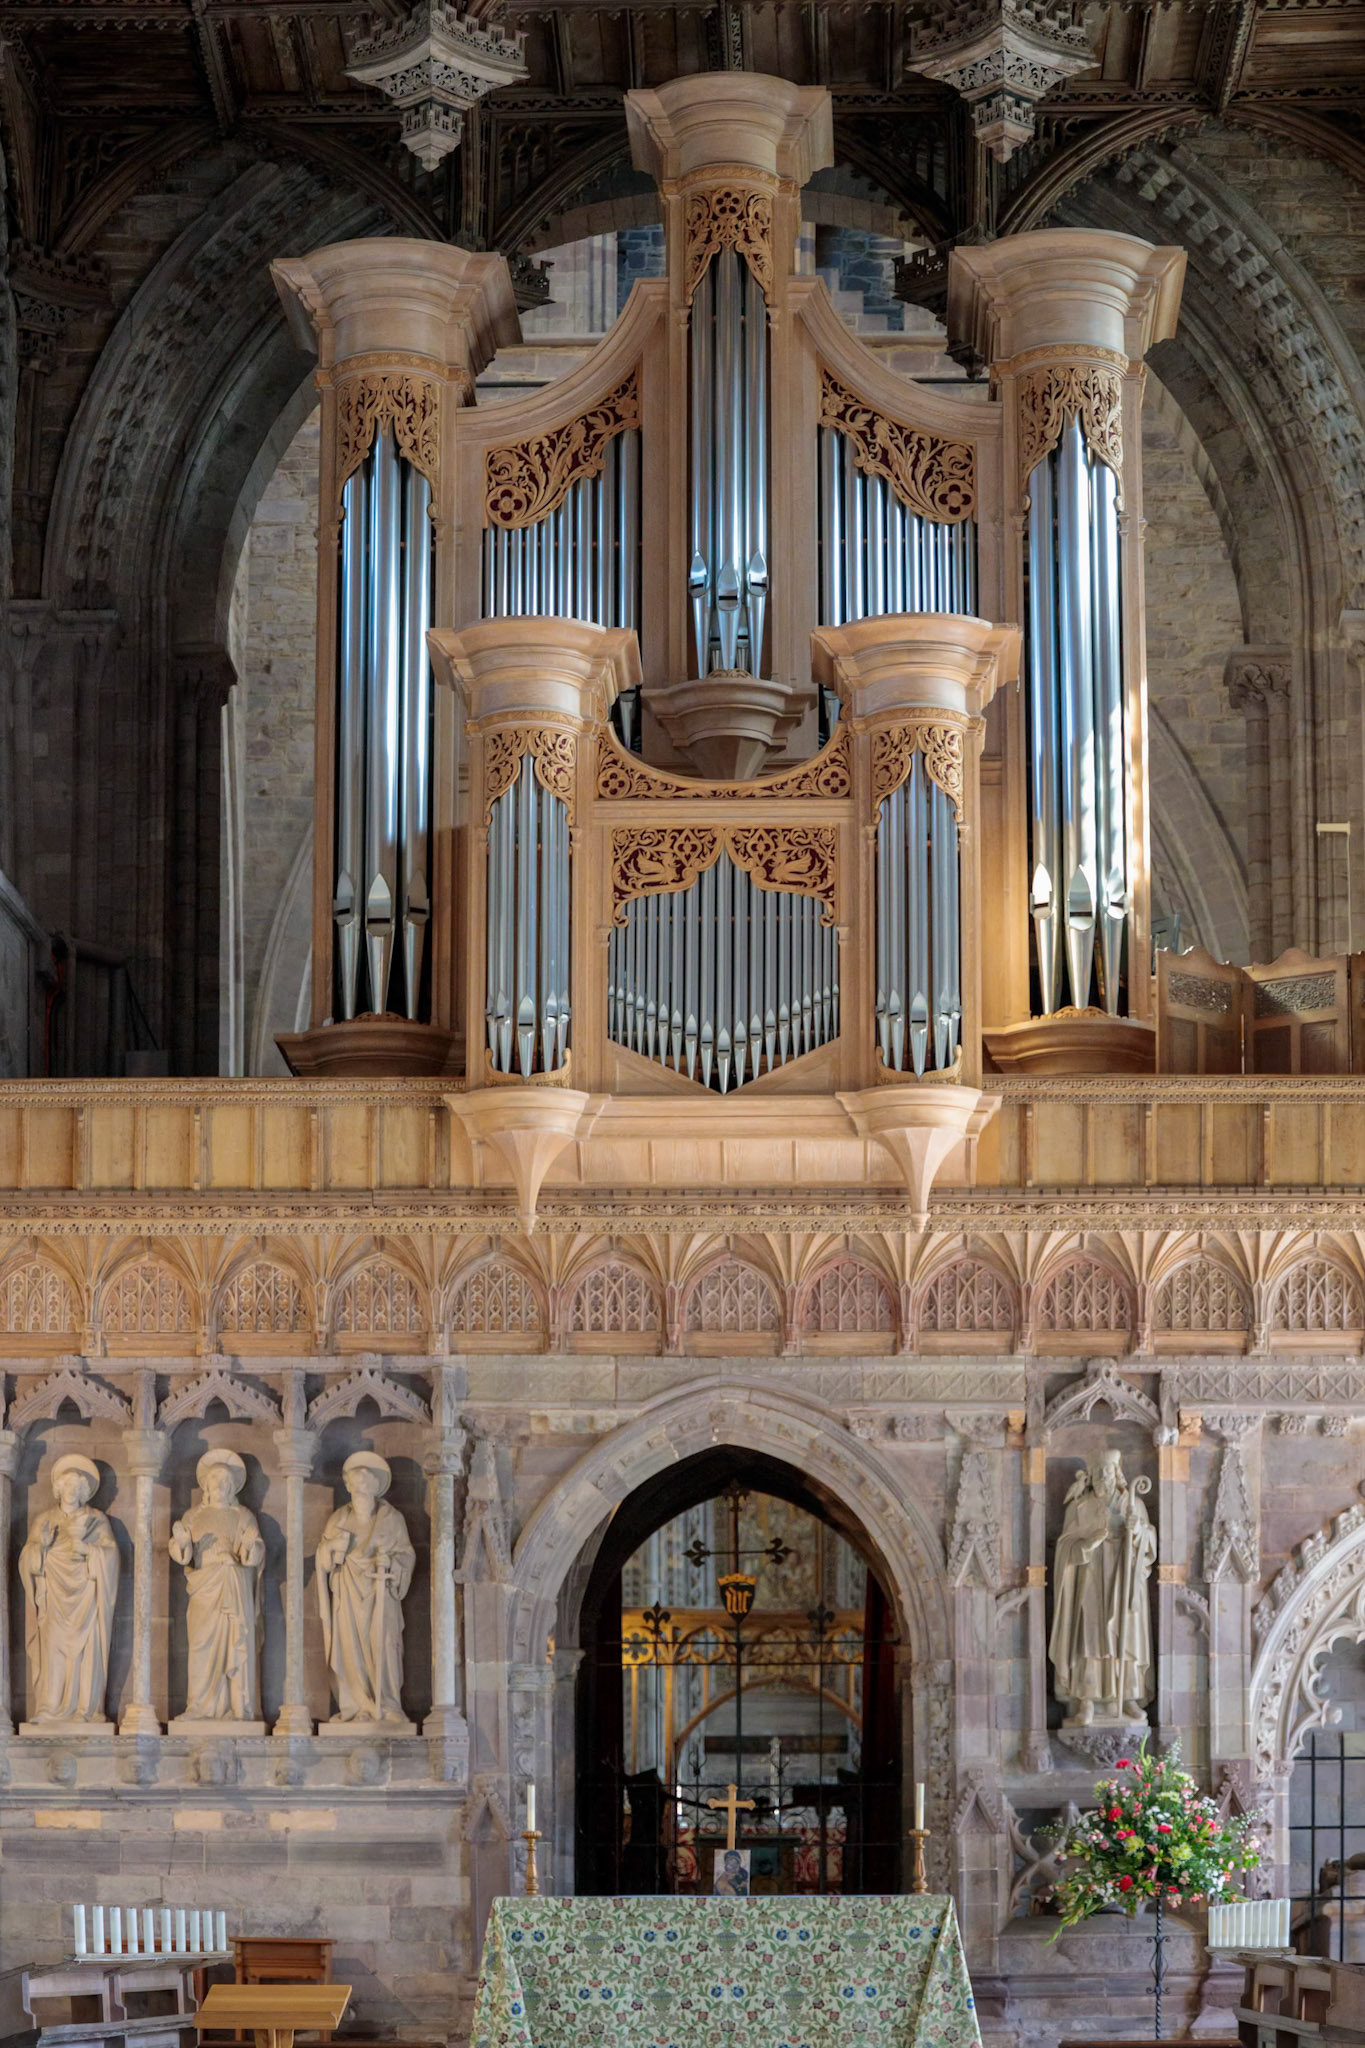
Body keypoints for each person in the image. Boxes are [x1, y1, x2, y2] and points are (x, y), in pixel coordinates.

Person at [1048, 1447, 1156, 1726]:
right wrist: (1086, 1544)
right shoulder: (1079, 1507)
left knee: (1126, 1633)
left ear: (1117, 1474)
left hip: (1124, 1581)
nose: (1103, 1477)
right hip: (1091, 1579)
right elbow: (1063, 1546)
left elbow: (1149, 1545)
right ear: (1091, 1476)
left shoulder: (1133, 1504)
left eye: (1107, 1472)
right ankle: (1086, 1699)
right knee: (1091, 1637)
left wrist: (1139, 1532)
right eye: (1098, 1473)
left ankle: (1129, 1696)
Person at [18, 1454, 119, 1724]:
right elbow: (27, 1559)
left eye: (77, 1487)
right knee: (53, 1649)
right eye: (67, 1486)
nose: (72, 1491)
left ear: (85, 1491)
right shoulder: (45, 1521)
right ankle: (49, 1708)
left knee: (87, 1653)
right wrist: (43, 1548)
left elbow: (111, 1558)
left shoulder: (97, 1520)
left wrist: (88, 1550)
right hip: (54, 1599)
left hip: (86, 1599)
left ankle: (85, 1709)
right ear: (59, 1489)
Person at [316, 1451, 415, 1723]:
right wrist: (331, 1550)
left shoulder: (392, 1519)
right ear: (348, 1486)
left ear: (376, 1487)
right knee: (350, 1648)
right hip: (347, 1596)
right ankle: (358, 1707)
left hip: (381, 1594)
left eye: (366, 1483)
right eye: (355, 1483)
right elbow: (323, 1559)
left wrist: (392, 1565)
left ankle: (388, 1704)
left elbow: (406, 1555)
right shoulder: (338, 1519)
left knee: (384, 1644)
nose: (360, 1488)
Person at [170, 1449, 265, 1722]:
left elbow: (255, 1552)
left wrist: (250, 1546)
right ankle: (199, 1707)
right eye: (215, 1481)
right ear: (206, 1486)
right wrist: (182, 1542)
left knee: (235, 1644)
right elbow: (182, 1555)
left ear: (232, 1486)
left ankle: (238, 1708)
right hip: (204, 1588)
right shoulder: (193, 1516)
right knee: (201, 1646)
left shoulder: (243, 1515)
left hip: (233, 1585)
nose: (220, 1486)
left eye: (225, 1482)